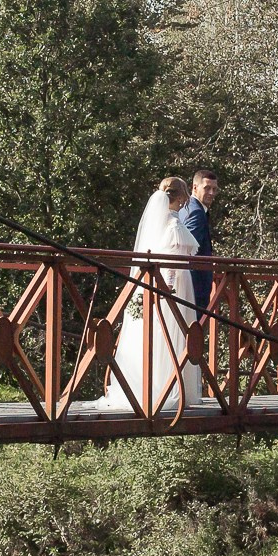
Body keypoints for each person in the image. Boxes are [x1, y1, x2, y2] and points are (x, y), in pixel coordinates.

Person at [102, 176, 204, 413]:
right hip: (174, 284)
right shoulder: (173, 225)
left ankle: (156, 384)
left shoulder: (159, 223)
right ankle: (170, 387)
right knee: (173, 331)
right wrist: (168, 289)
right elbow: (170, 261)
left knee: (161, 333)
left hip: (160, 282)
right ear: (180, 197)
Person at [184, 170, 218, 314]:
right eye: (207, 188)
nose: (211, 193)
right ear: (195, 187)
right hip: (194, 286)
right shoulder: (196, 212)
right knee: (193, 331)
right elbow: (189, 249)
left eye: (214, 189)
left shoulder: (185, 206)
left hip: (191, 285)